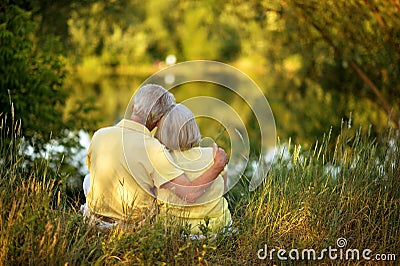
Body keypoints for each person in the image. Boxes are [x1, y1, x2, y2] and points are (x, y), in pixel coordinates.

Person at [82, 84, 227, 227]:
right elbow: (190, 195)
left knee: (89, 179)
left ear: (133, 107)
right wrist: (218, 166)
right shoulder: (155, 149)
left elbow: (92, 169)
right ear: (159, 121)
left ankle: (93, 216)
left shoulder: (100, 135)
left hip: (95, 218)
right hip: (132, 224)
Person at [155, 104, 231, 236]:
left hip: (176, 231)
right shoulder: (215, 155)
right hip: (220, 229)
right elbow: (222, 190)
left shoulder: (160, 161)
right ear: (193, 128)